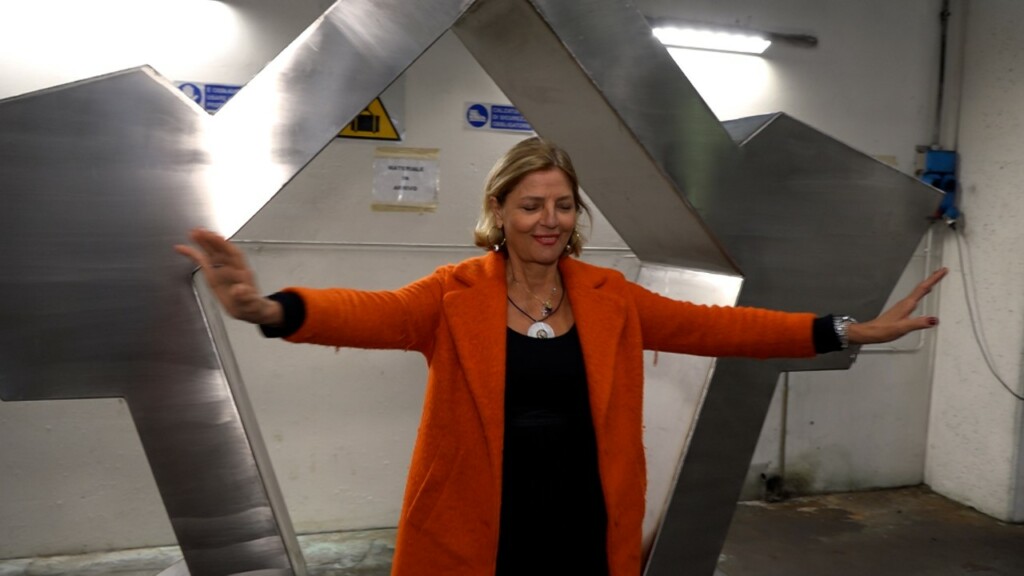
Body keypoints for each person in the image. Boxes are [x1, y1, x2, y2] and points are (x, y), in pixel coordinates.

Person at [176, 137, 947, 576]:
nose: (549, 219)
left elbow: (718, 329)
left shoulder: (610, 296)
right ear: (499, 211)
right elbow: (369, 312)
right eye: (531, 205)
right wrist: (269, 309)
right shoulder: (452, 295)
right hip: (483, 525)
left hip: (586, 523)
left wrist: (843, 330)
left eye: (563, 205)